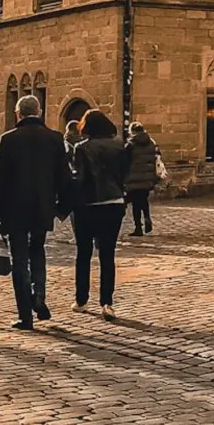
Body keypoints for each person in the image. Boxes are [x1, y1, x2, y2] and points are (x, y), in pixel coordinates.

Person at [0, 94, 73, 331]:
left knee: (19, 258)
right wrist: (63, 207)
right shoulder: (54, 139)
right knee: (38, 251)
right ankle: (39, 293)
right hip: (42, 207)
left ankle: (25, 315)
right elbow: (64, 177)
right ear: (40, 112)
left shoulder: (9, 139)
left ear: (18, 114)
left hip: (15, 209)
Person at [70, 110, 130, 318]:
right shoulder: (119, 146)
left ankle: (81, 299)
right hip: (114, 202)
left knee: (84, 254)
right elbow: (125, 175)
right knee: (107, 254)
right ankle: (107, 302)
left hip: (89, 204)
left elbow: (79, 179)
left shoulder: (82, 148)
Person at [123, 123, 162, 236]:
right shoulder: (151, 143)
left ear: (132, 131)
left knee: (135, 203)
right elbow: (157, 157)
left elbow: (125, 161)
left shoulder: (130, 145)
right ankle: (147, 217)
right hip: (147, 178)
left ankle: (138, 227)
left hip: (133, 177)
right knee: (143, 200)